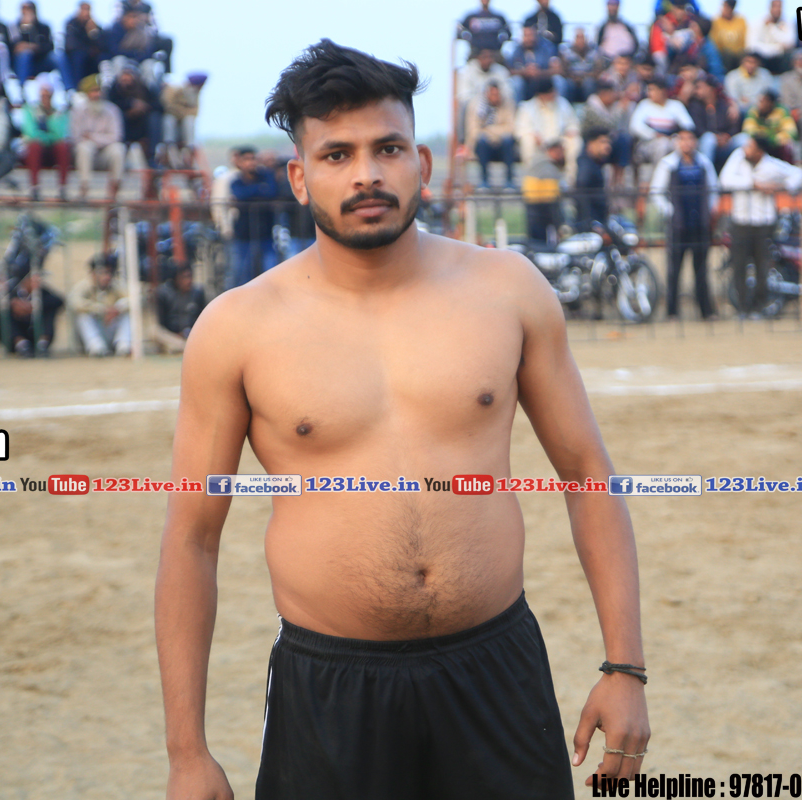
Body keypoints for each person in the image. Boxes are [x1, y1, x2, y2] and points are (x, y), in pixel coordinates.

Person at [156, 40, 648, 800]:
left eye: (387, 148)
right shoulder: (237, 328)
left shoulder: (507, 290)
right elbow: (192, 536)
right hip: (330, 689)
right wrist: (186, 752)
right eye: (337, 154)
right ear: (299, 176)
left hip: (497, 672)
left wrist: (625, 667)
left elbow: (587, 475)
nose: (366, 174)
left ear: (421, 161)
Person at [718, 135, 802, 316]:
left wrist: (781, 186)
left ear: (759, 151)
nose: (745, 149)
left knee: (762, 266)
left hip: (764, 222)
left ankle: (759, 307)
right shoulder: (737, 158)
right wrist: (754, 184)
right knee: (739, 266)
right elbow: (724, 180)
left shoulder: (771, 165)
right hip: (740, 221)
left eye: (750, 146)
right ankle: (742, 308)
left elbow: (798, 174)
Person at [650, 128, 717, 319]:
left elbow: (714, 190)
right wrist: (670, 211)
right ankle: (672, 312)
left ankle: (706, 311)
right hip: (678, 226)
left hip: (699, 224)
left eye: (690, 138)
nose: (687, 143)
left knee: (701, 270)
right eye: (683, 139)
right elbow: (656, 193)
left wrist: (708, 211)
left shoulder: (703, 163)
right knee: (674, 270)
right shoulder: (668, 164)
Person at [225, 144, 278, 289]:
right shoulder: (236, 182)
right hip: (244, 236)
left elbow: (272, 192)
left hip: (265, 234)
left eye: (253, 159)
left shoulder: (267, 176)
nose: (251, 163)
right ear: (240, 163)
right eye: (247, 159)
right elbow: (241, 194)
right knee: (242, 275)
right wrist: (259, 189)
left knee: (271, 274)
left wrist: (251, 193)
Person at [0, 260, 63, 356]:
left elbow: (59, 301)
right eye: (34, 278)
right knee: (4, 312)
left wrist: (34, 305)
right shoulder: (11, 291)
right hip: (14, 336)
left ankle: (42, 344)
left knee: (50, 310)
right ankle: (22, 345)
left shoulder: (42, 292)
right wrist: (12, 304)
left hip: (34, 332)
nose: (38, 280)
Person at [516, 76, 580, 182]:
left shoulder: (563, 104)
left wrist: (569, 133)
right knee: (527, 140)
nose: (553, 94)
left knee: (575, 141)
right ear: (540, 95)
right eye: (549, 93)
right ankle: (531, 178)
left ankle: (570, 180)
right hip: (540, 145)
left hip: (560, 144)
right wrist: (534, 136)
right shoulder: (527, 107)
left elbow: (573, 124)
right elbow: (520, 130)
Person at [70, 73, 124, 200]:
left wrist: (93, 137)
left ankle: (114, 191)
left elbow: (116, 137)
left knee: (118, 149)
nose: (97, 94)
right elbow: (76, 138)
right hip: (87, 154)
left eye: (99, 91)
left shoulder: (112, 110)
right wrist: (99, 139)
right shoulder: (78, 111)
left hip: (105, 153)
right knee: (84, 147)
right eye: (93, 91)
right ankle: (84, 188)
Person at [629, 75, 694, 172]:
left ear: (662, 91)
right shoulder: (644, 104)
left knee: (684, 145)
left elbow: (689, 126)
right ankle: (659, 175)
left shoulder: (676, 105)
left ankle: (685, 173)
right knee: (662, 144)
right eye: (648, 90)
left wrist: (676, 137)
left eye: (652, 90)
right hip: (648, 143)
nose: (649, 93)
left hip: (671, 140)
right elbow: (635, 126)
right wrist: (655, 135)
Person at [69, 254, 130, 356]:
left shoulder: (116, 286)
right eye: (102, 273)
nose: (107, 277)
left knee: (128, 312)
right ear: (93, 273)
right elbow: (75, 303)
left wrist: (118, 309)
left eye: (109, 273)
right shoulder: (83, 286)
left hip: (111, 329)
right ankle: (96, 348)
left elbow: (135, 299)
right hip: (94, 330)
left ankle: (123, 346)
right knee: (83, 316)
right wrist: (102, 310)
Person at [22, 81, 69, 200]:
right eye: (43, 95)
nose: (45, 98)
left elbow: (59, 135)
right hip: (38, 148)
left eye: (48, 95)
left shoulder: (58, 113)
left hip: (52, 149)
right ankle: (34, 187)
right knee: (34, 146)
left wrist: (50, 118)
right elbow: (31, 133)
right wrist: (47, 137)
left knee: (63, 147)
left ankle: (62, 188)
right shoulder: (31, 111)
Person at [109, 62, 161, 167]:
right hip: (124, 124)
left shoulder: (144, 88)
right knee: (117, 115)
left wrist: (143, 107)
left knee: (154, 118)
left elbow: (159, 106)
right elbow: (111, 105)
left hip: (142, 124)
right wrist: (129, 105)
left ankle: (152, 155)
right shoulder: (114, 90)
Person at [581, 79, 633, 186]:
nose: (614, 97)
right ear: (603, 94)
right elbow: (607, 126)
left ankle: (618, 180)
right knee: (608, 143)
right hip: (590, 141)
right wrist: (620, 110)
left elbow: (623, 127)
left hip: (607, 139)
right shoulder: (591, 106)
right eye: (611, 94)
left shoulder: (613, 105)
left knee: (623, 139)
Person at [466, 80, 517, 189]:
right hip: (484, 146)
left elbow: (511, 128)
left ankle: (509, 181)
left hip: (502, 144)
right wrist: (494, 132)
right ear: (487, 94)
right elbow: (473, 131)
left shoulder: (508, 104)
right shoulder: (476, 106)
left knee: (508, 140)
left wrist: (489, 130)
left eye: (497, 94)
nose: (495, 97)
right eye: (492, 94)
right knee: (481, 141)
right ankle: (484, 181)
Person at [153, 263, 206, 353]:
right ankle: (184, 347)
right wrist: (177, 333)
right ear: (176, 279)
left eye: (190, 276)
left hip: (193, 335)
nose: (188, 281)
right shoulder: (164, 294)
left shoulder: (198, 293)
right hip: (173, 336)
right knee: (154, 332)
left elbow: (203, 319)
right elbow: (162, 323)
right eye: (184, 277)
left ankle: (181, 348)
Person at [161, 72, 205, 169]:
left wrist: (183, 113)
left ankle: (189, 150)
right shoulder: (174, 90)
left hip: (184, 128)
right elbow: (169, 106)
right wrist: (183, 111)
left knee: (189, 121)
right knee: (169, 120)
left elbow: (194, 112)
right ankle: (170, 149)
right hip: (172, 124)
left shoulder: (195, 94)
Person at [508, 24, 562, 102]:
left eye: (531, 35)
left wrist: (540, 72)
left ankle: (560, 108)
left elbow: (557, 70)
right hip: (525, 81)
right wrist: (525, 72)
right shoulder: (516, 50)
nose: (529, 38)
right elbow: (509, 71)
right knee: (516, 82)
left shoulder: (547, 48)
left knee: (559, 81)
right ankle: (518, 109)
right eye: (526, 35)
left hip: (544, 80)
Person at [742, 88, 797, 162]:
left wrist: (773, 139)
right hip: (759, 142)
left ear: (770, 103)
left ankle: (787, 166)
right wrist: (761, 138)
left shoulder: (781, 111)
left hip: (776, 143)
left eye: (762, 101)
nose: (760, 104)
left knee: (788, 144)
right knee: (744, 140)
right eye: (759, 101)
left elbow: (791, 131)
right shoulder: (754, 110)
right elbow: (748, 129)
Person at [11, 1, 56, 85]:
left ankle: (69, 87)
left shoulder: (43, 27)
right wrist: (26, 29)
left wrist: (33, 46)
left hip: (41, 61)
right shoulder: (15, 27)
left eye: (30, 9)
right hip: (22, 63)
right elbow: (16, 47)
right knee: (25, 54)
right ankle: (22, 85)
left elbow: (49, 46)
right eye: (25, 9)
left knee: (57, 56)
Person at [61, 1, 102, 92]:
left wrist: (92, 32)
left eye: (88, 10)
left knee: (100, 58)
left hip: (91, 57)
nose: (86, 12)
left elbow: (100, 45)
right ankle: (77, 89)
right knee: (79, 57)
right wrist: (87, 49)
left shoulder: (94, 25)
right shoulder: (72, 24)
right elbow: (70, 45)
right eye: (84, 9)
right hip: (76, 56)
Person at [575, 127, 611, 226]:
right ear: (590, 144)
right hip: (591, 225)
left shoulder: (596, 163)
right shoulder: (586, 166)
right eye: (603, 142)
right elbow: (582, 194)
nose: (607, 146)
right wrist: (590, 223)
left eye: (608, 142)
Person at [748, 0, 794, 74]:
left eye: (779, 6)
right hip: (763, 56)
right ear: (770, 7)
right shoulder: (758, 21)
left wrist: (772, 28)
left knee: (790, 55)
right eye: (774, 6)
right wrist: (775, 48)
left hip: (779, 58)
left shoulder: (787, 22)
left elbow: (789, 43)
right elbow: (751, 44)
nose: (777, 9)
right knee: (753, 55)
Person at [709, 0, 746, 73]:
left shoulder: (741, 20)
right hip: (723, 54)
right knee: (727, 55)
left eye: (726, 7)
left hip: (738, 54)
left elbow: (744, 39)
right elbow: (714, 41)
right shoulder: (716, 21)